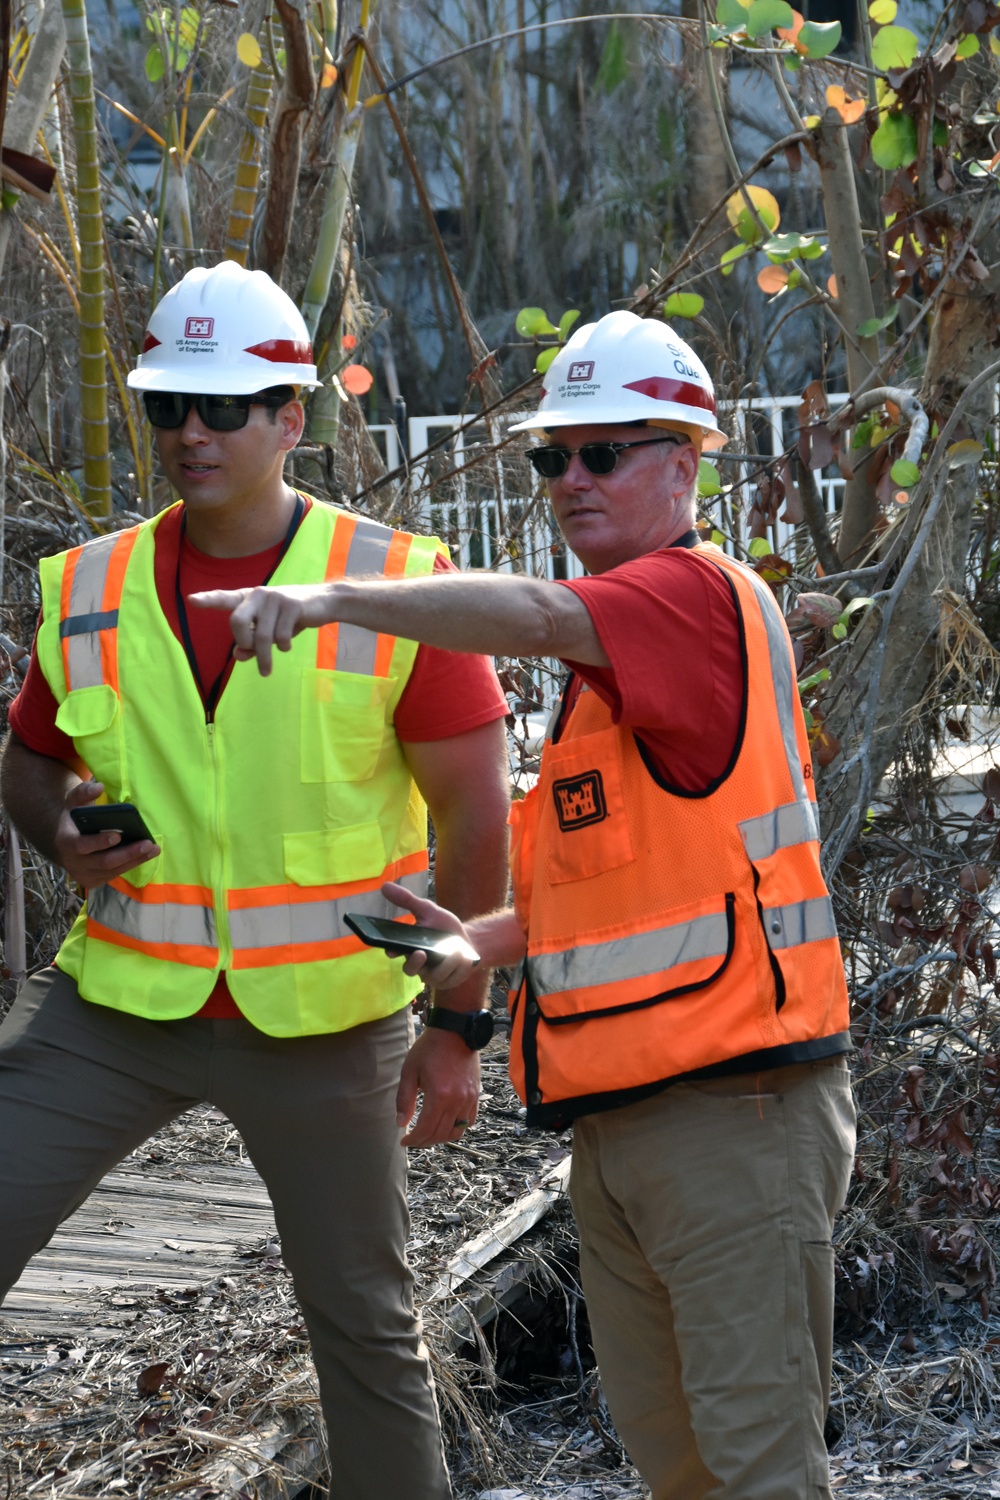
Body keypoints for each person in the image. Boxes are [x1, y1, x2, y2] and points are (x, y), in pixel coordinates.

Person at [198, 310, 858, 1500]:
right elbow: (626, 900)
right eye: (552, 457)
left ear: (684, 457)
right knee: (682, 1468)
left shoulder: (689, 598)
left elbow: (542, 614)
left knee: (760, 1470)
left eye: (603, 452)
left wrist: (335, 598)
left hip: (734, 1119)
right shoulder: (612, 689)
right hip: (621, 1128)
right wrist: (469, 943)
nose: (570, 479)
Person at [0, 261, 511, 1500]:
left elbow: (476, 821)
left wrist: (454, 1033)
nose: (191, 431)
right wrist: (58, 825)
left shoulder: (394, 583)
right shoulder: (86, 589)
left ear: (294, 417)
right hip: (116, 1010)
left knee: (366, 1327)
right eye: (169, 404)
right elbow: (26, 759)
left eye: (225, 407)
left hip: (325, 1024)